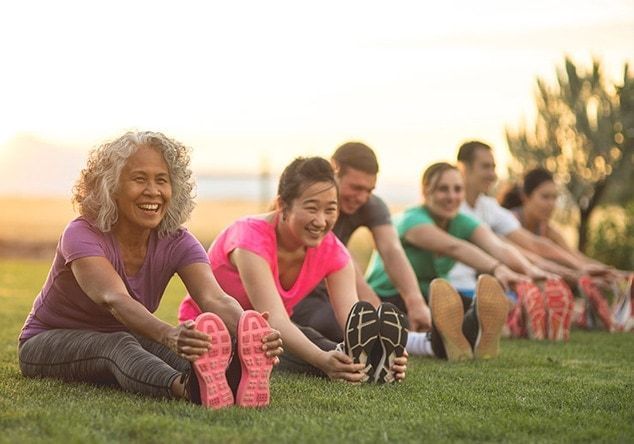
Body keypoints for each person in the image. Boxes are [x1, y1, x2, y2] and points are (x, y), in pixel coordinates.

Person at [18, 131, 283, 410]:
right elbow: (114, 299)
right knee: (118, 344)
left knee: (199, 347)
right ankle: (187, 388)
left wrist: (249, 330)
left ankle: (231, 378)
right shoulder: (82, 233)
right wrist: (169, 334)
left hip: (128, 332)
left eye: (162, 180)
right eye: (139, 179)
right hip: (47, 340)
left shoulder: (178, 241)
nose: (153, 191)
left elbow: (214, 298)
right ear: (111, 186)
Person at [178, 157, 408, 384]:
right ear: (283, 206)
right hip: (212, 330)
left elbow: (352, 319)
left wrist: (378, 347)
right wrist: (322, 360)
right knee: (300, 349)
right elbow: (275, 318)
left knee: (317, 343)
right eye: (312, 208)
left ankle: (373, 365)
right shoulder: (250, 238)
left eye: (330, 209)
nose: (321, 220)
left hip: (272, 335)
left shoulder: (334, 251)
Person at [365, 162, 533, 361]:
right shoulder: (412, 221)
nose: (452, 197)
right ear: (426, 191)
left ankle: (470, 337)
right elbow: (454, 247)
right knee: (404, 322)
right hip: (392, 296)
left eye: (457, 189)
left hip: (435, 297)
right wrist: (497, 268)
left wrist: (530, 271)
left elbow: (497, 246)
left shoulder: (461, 221)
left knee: (473, 307)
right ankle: (450, 340)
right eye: (443, 189)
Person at [290, 142, 431, 351]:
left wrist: (415, 302)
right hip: (300, 296)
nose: (362, 197)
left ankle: (423, 338)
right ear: (334, 170)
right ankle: (418, 343)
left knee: (375, 314)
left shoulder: (370, 205)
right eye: (356, 188)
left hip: (338, 291)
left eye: (369, 190)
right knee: (338, 325)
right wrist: (378, 316)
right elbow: (346, 263)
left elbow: (392, 251)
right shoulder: (309, 204)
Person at [450, 141, 577, 341]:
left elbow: (532, 245)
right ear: (463, 168)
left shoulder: (488, 207)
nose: (492, 174)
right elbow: (504, 249)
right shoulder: (451, 209)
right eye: (485, 166)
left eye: (493, 167)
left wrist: (577, 270)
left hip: (478, 285)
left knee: (531, 301)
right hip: (455, 288)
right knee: (515, 306)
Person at [500, 167, 632, 331]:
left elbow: (575, 256)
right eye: (545, 197)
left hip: (536, 285)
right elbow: (529, 259)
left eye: (554, 198)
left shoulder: (547, 229)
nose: (551, 204)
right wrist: (579, 274)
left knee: (576, 310)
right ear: (525, 197)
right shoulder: (508, 223)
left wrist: (615, 273)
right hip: (508, 288)